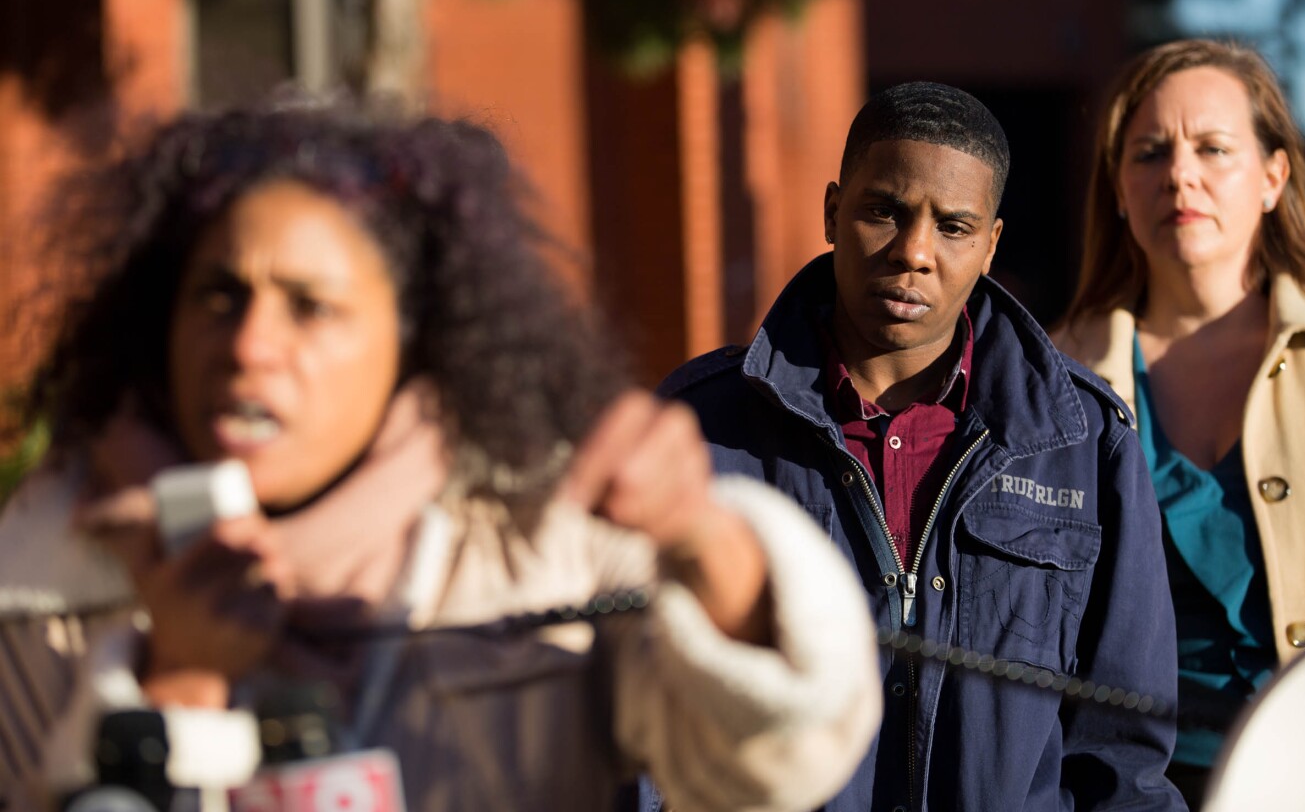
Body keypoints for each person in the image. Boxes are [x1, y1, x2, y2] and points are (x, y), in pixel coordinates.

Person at [0, 101, 881, 811]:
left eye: (310, 306)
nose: (250, 345)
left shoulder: (550, 540)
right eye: (220, 296)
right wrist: (176, 684)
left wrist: (704, 541)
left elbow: (775, 772)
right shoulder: (42, 577)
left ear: (413, 343)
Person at [659, 82, 1185, 810]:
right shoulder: (696, 431)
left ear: (991, 245)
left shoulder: (1085, 442)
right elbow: (646, 722)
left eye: (954, 226)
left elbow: (1122, 758)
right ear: (832, 212)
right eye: (885, 211)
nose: (914, 252)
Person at [1051, 38, 1305, 808]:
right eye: (1150, 152)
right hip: (1128, 791)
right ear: (1118, 188)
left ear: (1273, 176)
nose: (1180, 174)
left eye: (1213, 147)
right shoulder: (1047, 383)